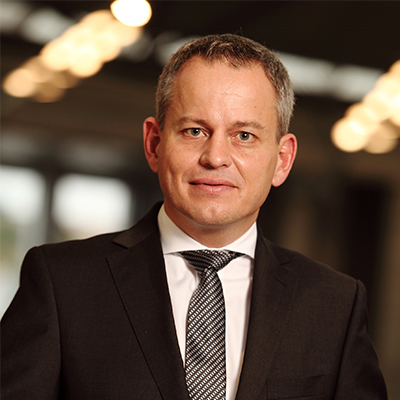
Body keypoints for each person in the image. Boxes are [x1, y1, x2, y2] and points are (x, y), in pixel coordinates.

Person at [1, 34, 387, 400]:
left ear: (282, 160)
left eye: (244, 136)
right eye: (194, 131)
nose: (215, 157)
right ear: (154, 143)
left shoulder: (335, 304)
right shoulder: (63, 284)